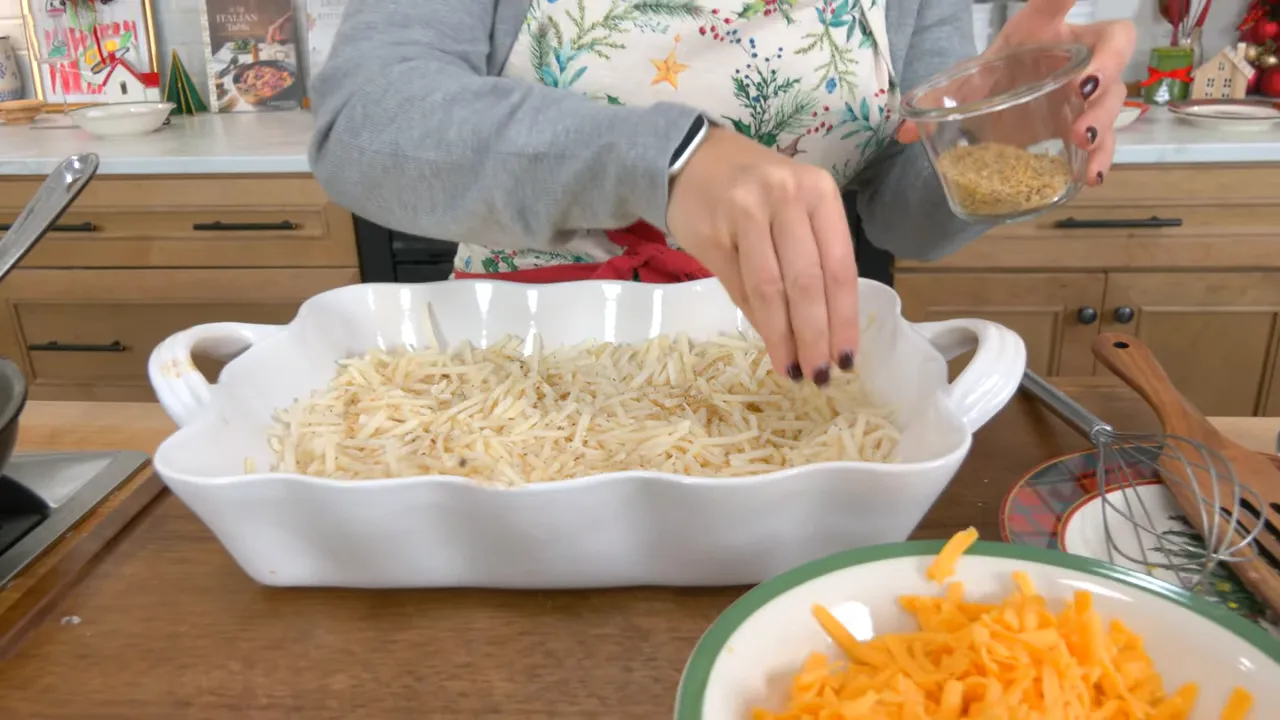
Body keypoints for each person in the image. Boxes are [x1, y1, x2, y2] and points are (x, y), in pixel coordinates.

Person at [309, 0, 1134, 386]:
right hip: (517, 362)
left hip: (792, 371)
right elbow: (364, 119)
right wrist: (667, 161)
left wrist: (998, 124)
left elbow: (900, 210)